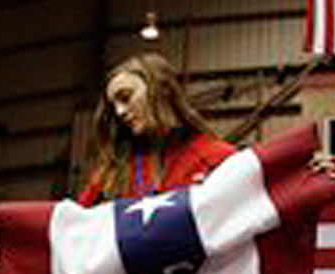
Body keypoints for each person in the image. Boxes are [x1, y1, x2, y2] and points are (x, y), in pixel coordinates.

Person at [77, 52, 236, 206]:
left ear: (162, 89)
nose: (120, 112)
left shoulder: (219, 159)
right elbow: (75, 225)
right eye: (114, 107)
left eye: (126, 97)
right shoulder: (111, 175)